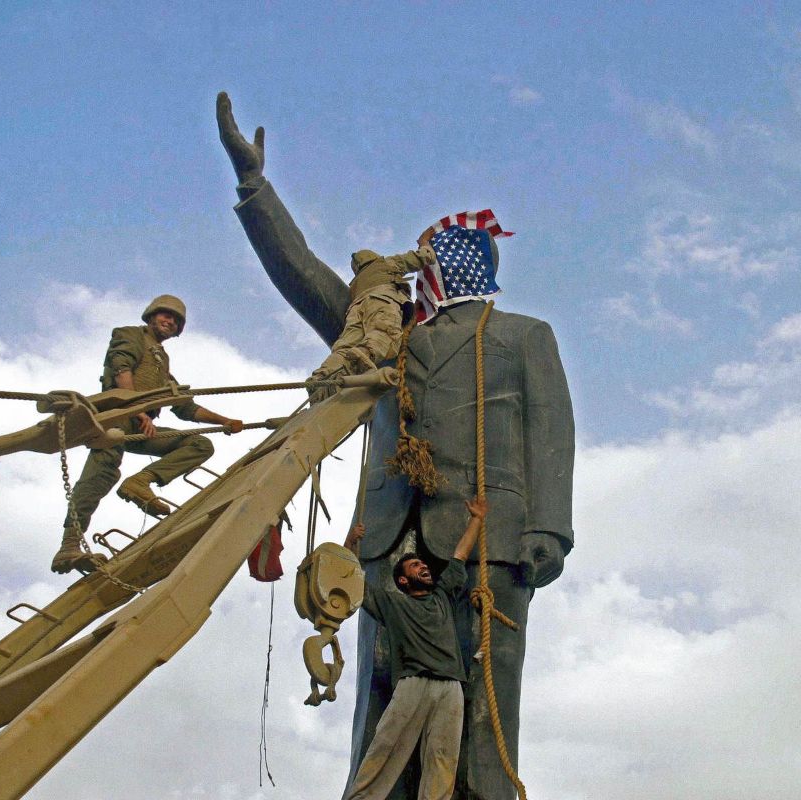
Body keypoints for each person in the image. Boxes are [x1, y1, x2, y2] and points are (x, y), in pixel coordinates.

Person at [216, 92, 576, 800]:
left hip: (489, 543)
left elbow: (551, 434)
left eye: (436, 258)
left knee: (485, 698)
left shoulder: (522, 336)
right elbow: (310, 279)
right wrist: (256, 189)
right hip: (387, 544)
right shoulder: (390, 339)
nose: (422, 270)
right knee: (382, 707)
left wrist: (549, 531)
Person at [51, 294, 244, 574]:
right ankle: (69, 546)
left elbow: (183, 406)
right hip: (115, 419)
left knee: (199, 444)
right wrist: (138, 411)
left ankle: (140, 482)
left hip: (141, 427)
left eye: (176, 321)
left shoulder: (161, 361)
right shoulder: (130, 335)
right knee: (101, 474)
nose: (170, 321)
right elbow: (121, 370)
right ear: (151, 316)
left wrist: (224, 421)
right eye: (166, 315)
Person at [341, 497, 487, 800]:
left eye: (422, 564)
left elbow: (459, 555)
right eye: (415, 565)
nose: (423, 567)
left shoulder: (443, 596)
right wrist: (349, 543)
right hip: (413, 683)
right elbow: (352, 581)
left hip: (450, 687)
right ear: (404, 579)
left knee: (443, 760)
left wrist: (476, 518)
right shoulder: (392, 604)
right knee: (386, 749)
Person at [307, 245, 435, 403]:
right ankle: (363, 356)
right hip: (381, 300)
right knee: (384, 334)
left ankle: (321, 378)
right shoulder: (384, 263)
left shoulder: (355, 283)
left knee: (344, 346)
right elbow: (413, 260)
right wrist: (428, 252)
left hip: (355, 310)